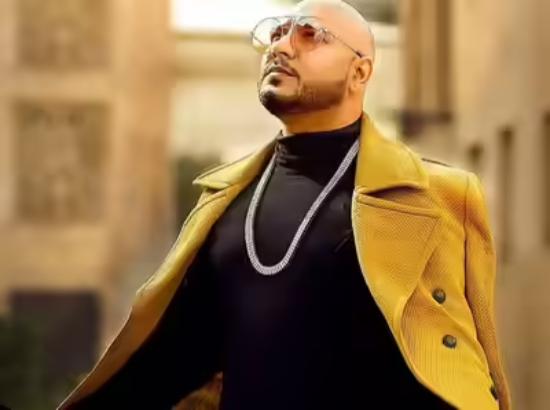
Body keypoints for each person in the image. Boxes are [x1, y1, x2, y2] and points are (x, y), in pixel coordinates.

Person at [57, 1, 512, 409]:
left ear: (360, 73)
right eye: (275, 34)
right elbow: (171, 359)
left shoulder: (437, 195)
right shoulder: (223, 201)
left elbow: (470, 356)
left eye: (310, 34)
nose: (281, 46)